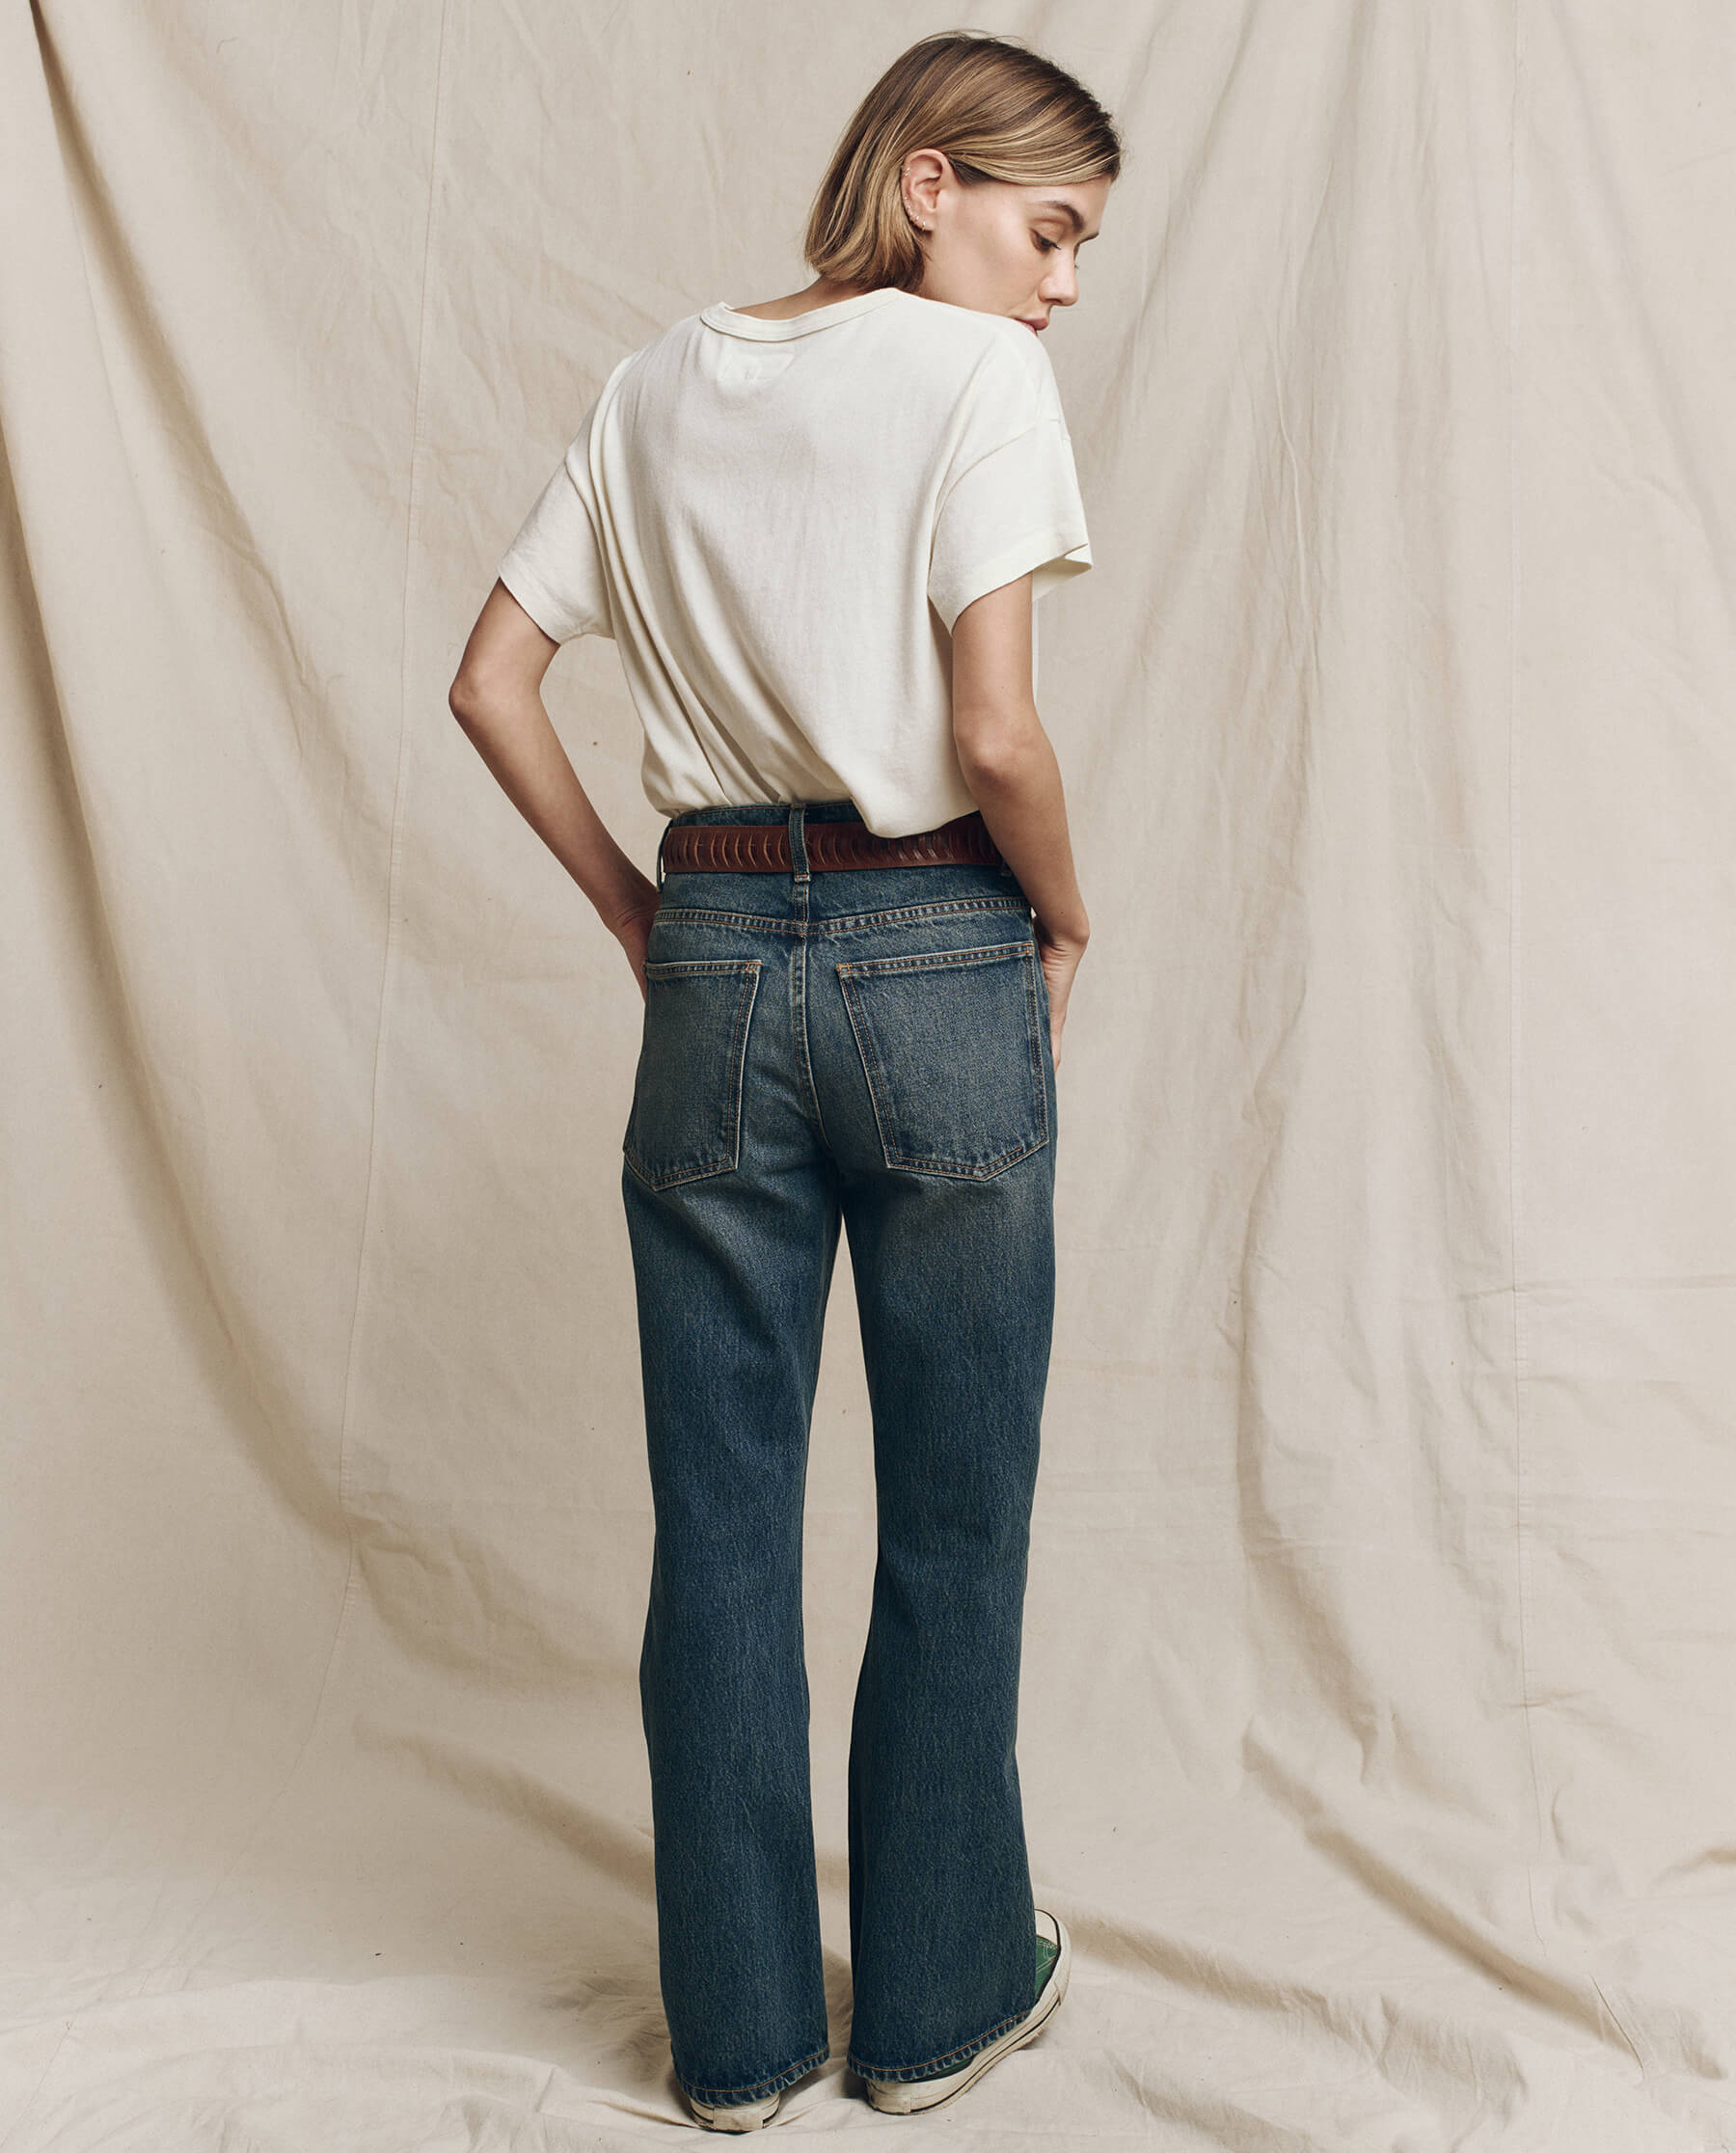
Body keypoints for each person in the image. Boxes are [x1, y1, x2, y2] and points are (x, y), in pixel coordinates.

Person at [448, 28, 1119, 2131]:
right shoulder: (976, 378)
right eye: (1050, 225)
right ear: (928, 184)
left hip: (718, 957)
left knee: (719, 1528)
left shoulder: (658, 383)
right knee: (957, 1512)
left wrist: (651, 918)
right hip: (940, 947)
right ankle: (934, 2010)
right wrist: (1068, 919)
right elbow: (995, 734)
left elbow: (490, 679)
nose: (1065, 282)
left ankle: (737, 2044)